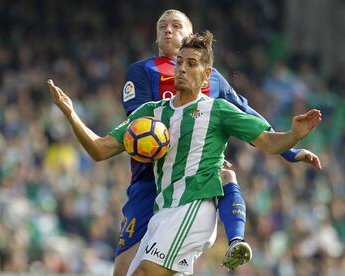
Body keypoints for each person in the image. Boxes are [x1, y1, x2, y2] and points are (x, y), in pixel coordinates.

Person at [47, 30, 322, 276]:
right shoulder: (151, 114)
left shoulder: (218, 110)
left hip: (194, 208)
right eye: (180, 62)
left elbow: (269, 142)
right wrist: (71, 114)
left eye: (191, 64)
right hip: (161, 215)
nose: (182, 69)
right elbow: (99, 149)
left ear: (206, 74)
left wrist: (294, 135)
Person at [115, 9, 322, 274]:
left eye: (176, 25)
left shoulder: (212, 78)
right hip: (150, 178)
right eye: (162, 25)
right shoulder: (142, 70)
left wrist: (290, 150)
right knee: (124, 271)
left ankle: (236, 239)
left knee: (224, 173)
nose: (168, 29)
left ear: (191, 36)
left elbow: (247, 116)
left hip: (192, 182)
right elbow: (140, 125)